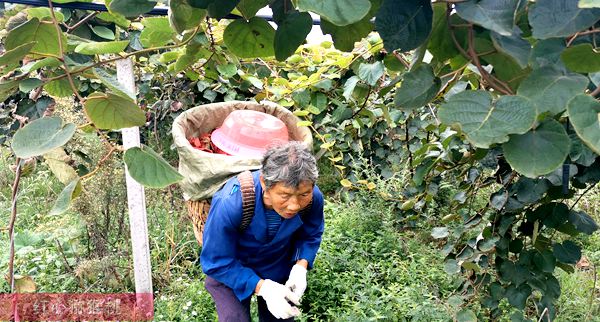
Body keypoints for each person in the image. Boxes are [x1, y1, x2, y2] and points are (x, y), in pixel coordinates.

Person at [200, 141, 325, 321]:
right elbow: (216, 261)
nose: (294, 205)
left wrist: (300, 266)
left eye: (303, 195)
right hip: (231, 269)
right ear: (265, 183)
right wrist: (263, 288)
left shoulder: (313, 198)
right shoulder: (231, 203)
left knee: (281, 317)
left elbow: (311, 233)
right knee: (234, 319)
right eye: (285, 195)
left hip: (277, 264)